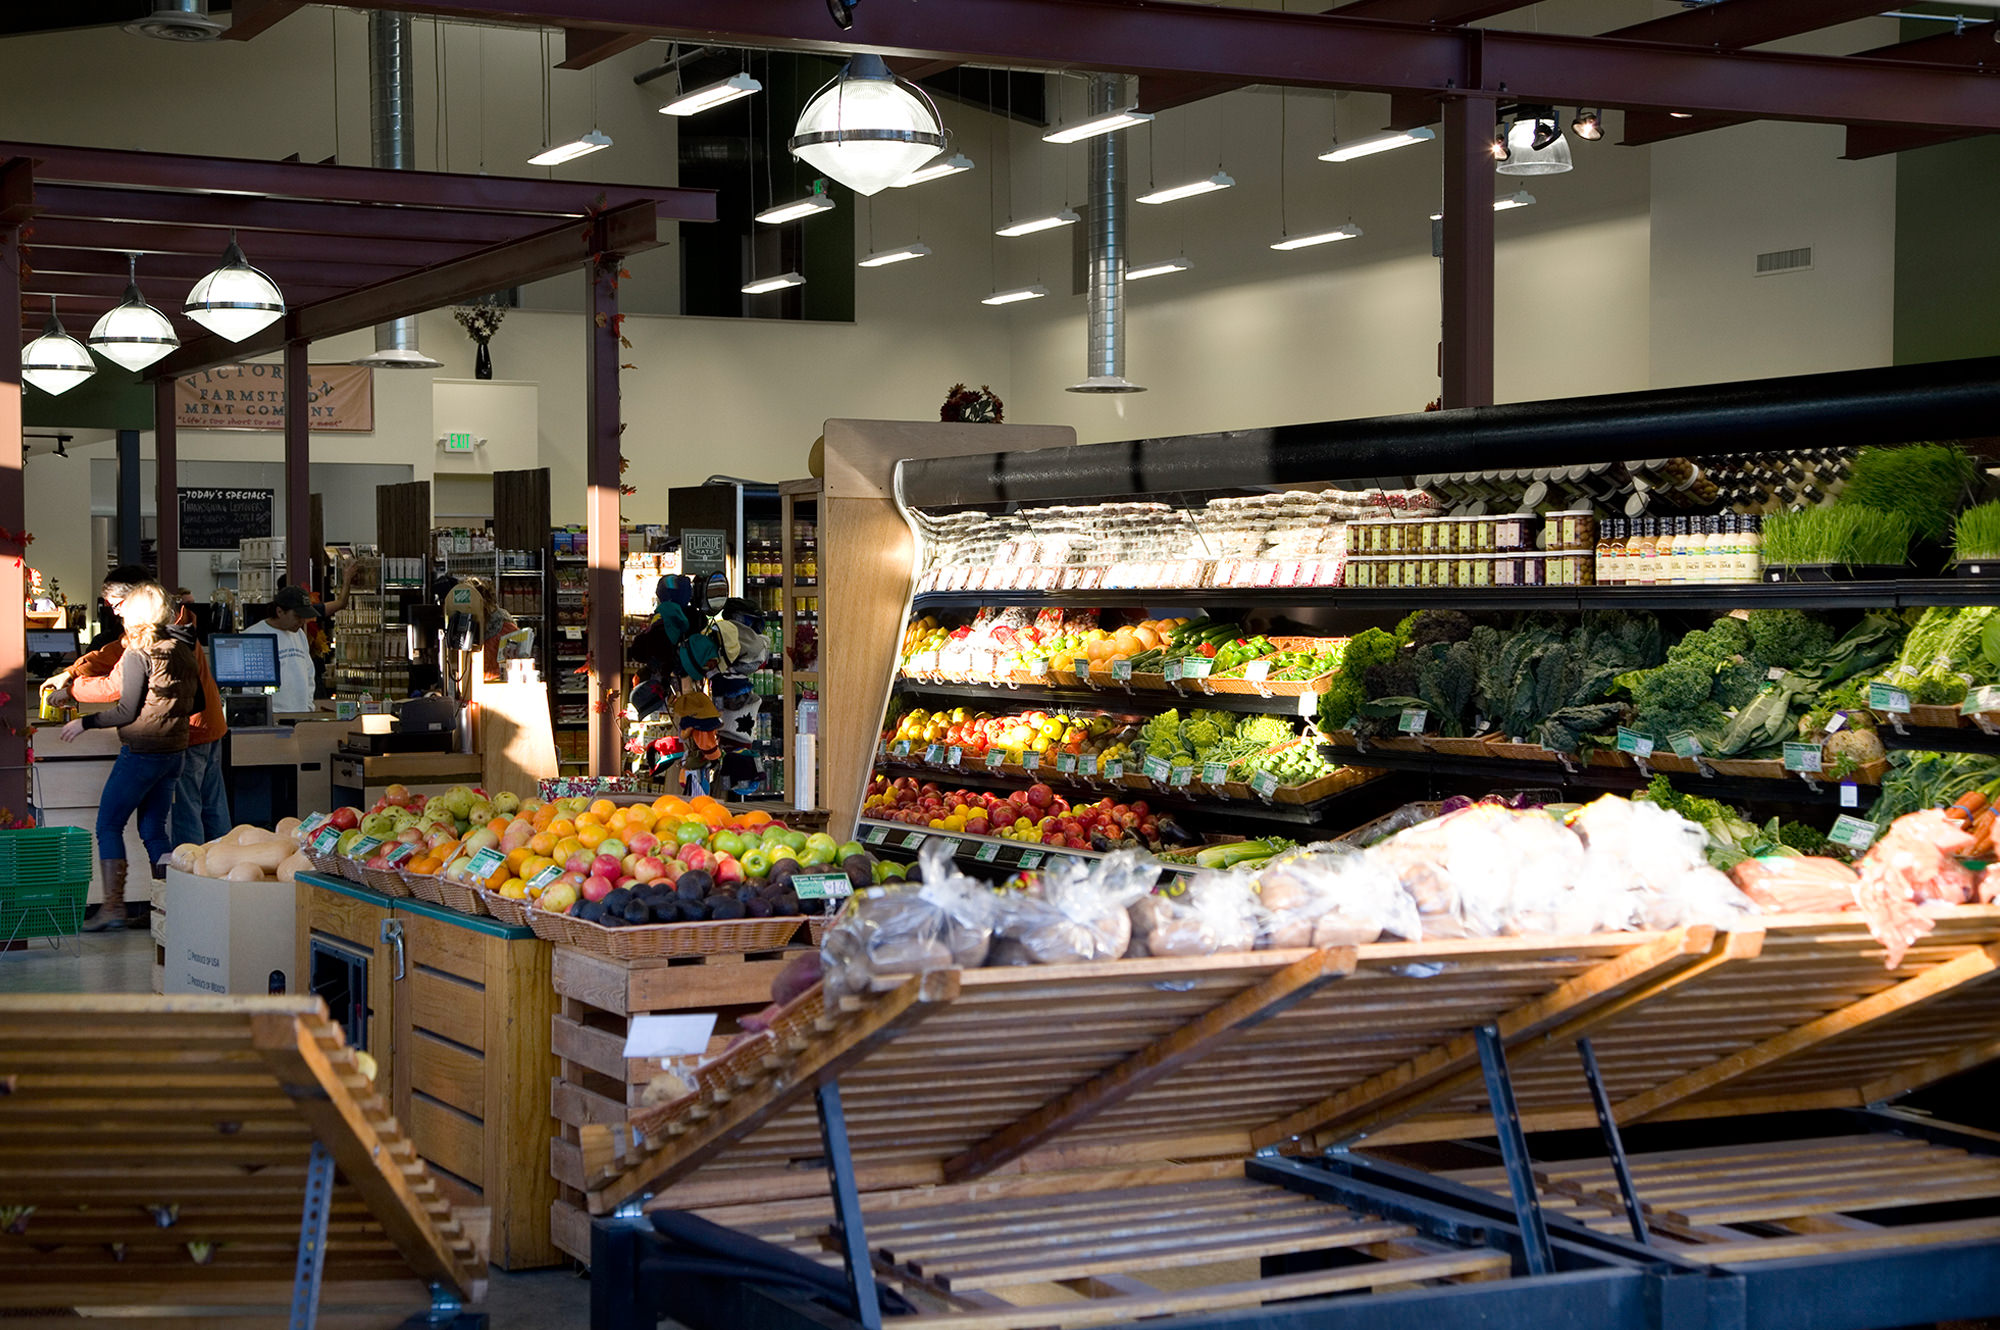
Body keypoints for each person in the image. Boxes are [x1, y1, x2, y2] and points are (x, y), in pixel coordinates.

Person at [51, 566, 230, 847]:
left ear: (136, 600)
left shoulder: (152, 640)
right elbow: (116, 650)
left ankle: (189, 882)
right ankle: (224, 878)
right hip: (207, 724)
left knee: (182, 815)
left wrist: (72, 691)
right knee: (209, 809)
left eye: (118, 605)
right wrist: (74, 670)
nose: (116, 613)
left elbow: (117, 689)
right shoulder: (177, 627)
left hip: (180, 735)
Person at [56, 582, 199, 932]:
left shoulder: (139, 654)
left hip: (142, 753)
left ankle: (113, 908)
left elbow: (124, 710)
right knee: (153, 830)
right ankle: (171, 906)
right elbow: (198, 704)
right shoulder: (183, 647)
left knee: (108, 825)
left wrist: (84, 723)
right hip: (174, 753)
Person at [245, 586, 326, 714]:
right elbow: (248, 687)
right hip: (272, 717)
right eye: (297, 616)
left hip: (301, 715)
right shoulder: (253, 636)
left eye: (304, 617)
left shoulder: (299, 634)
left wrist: (308, 706)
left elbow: (309, 673)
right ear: (279, 611)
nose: (302, 621)